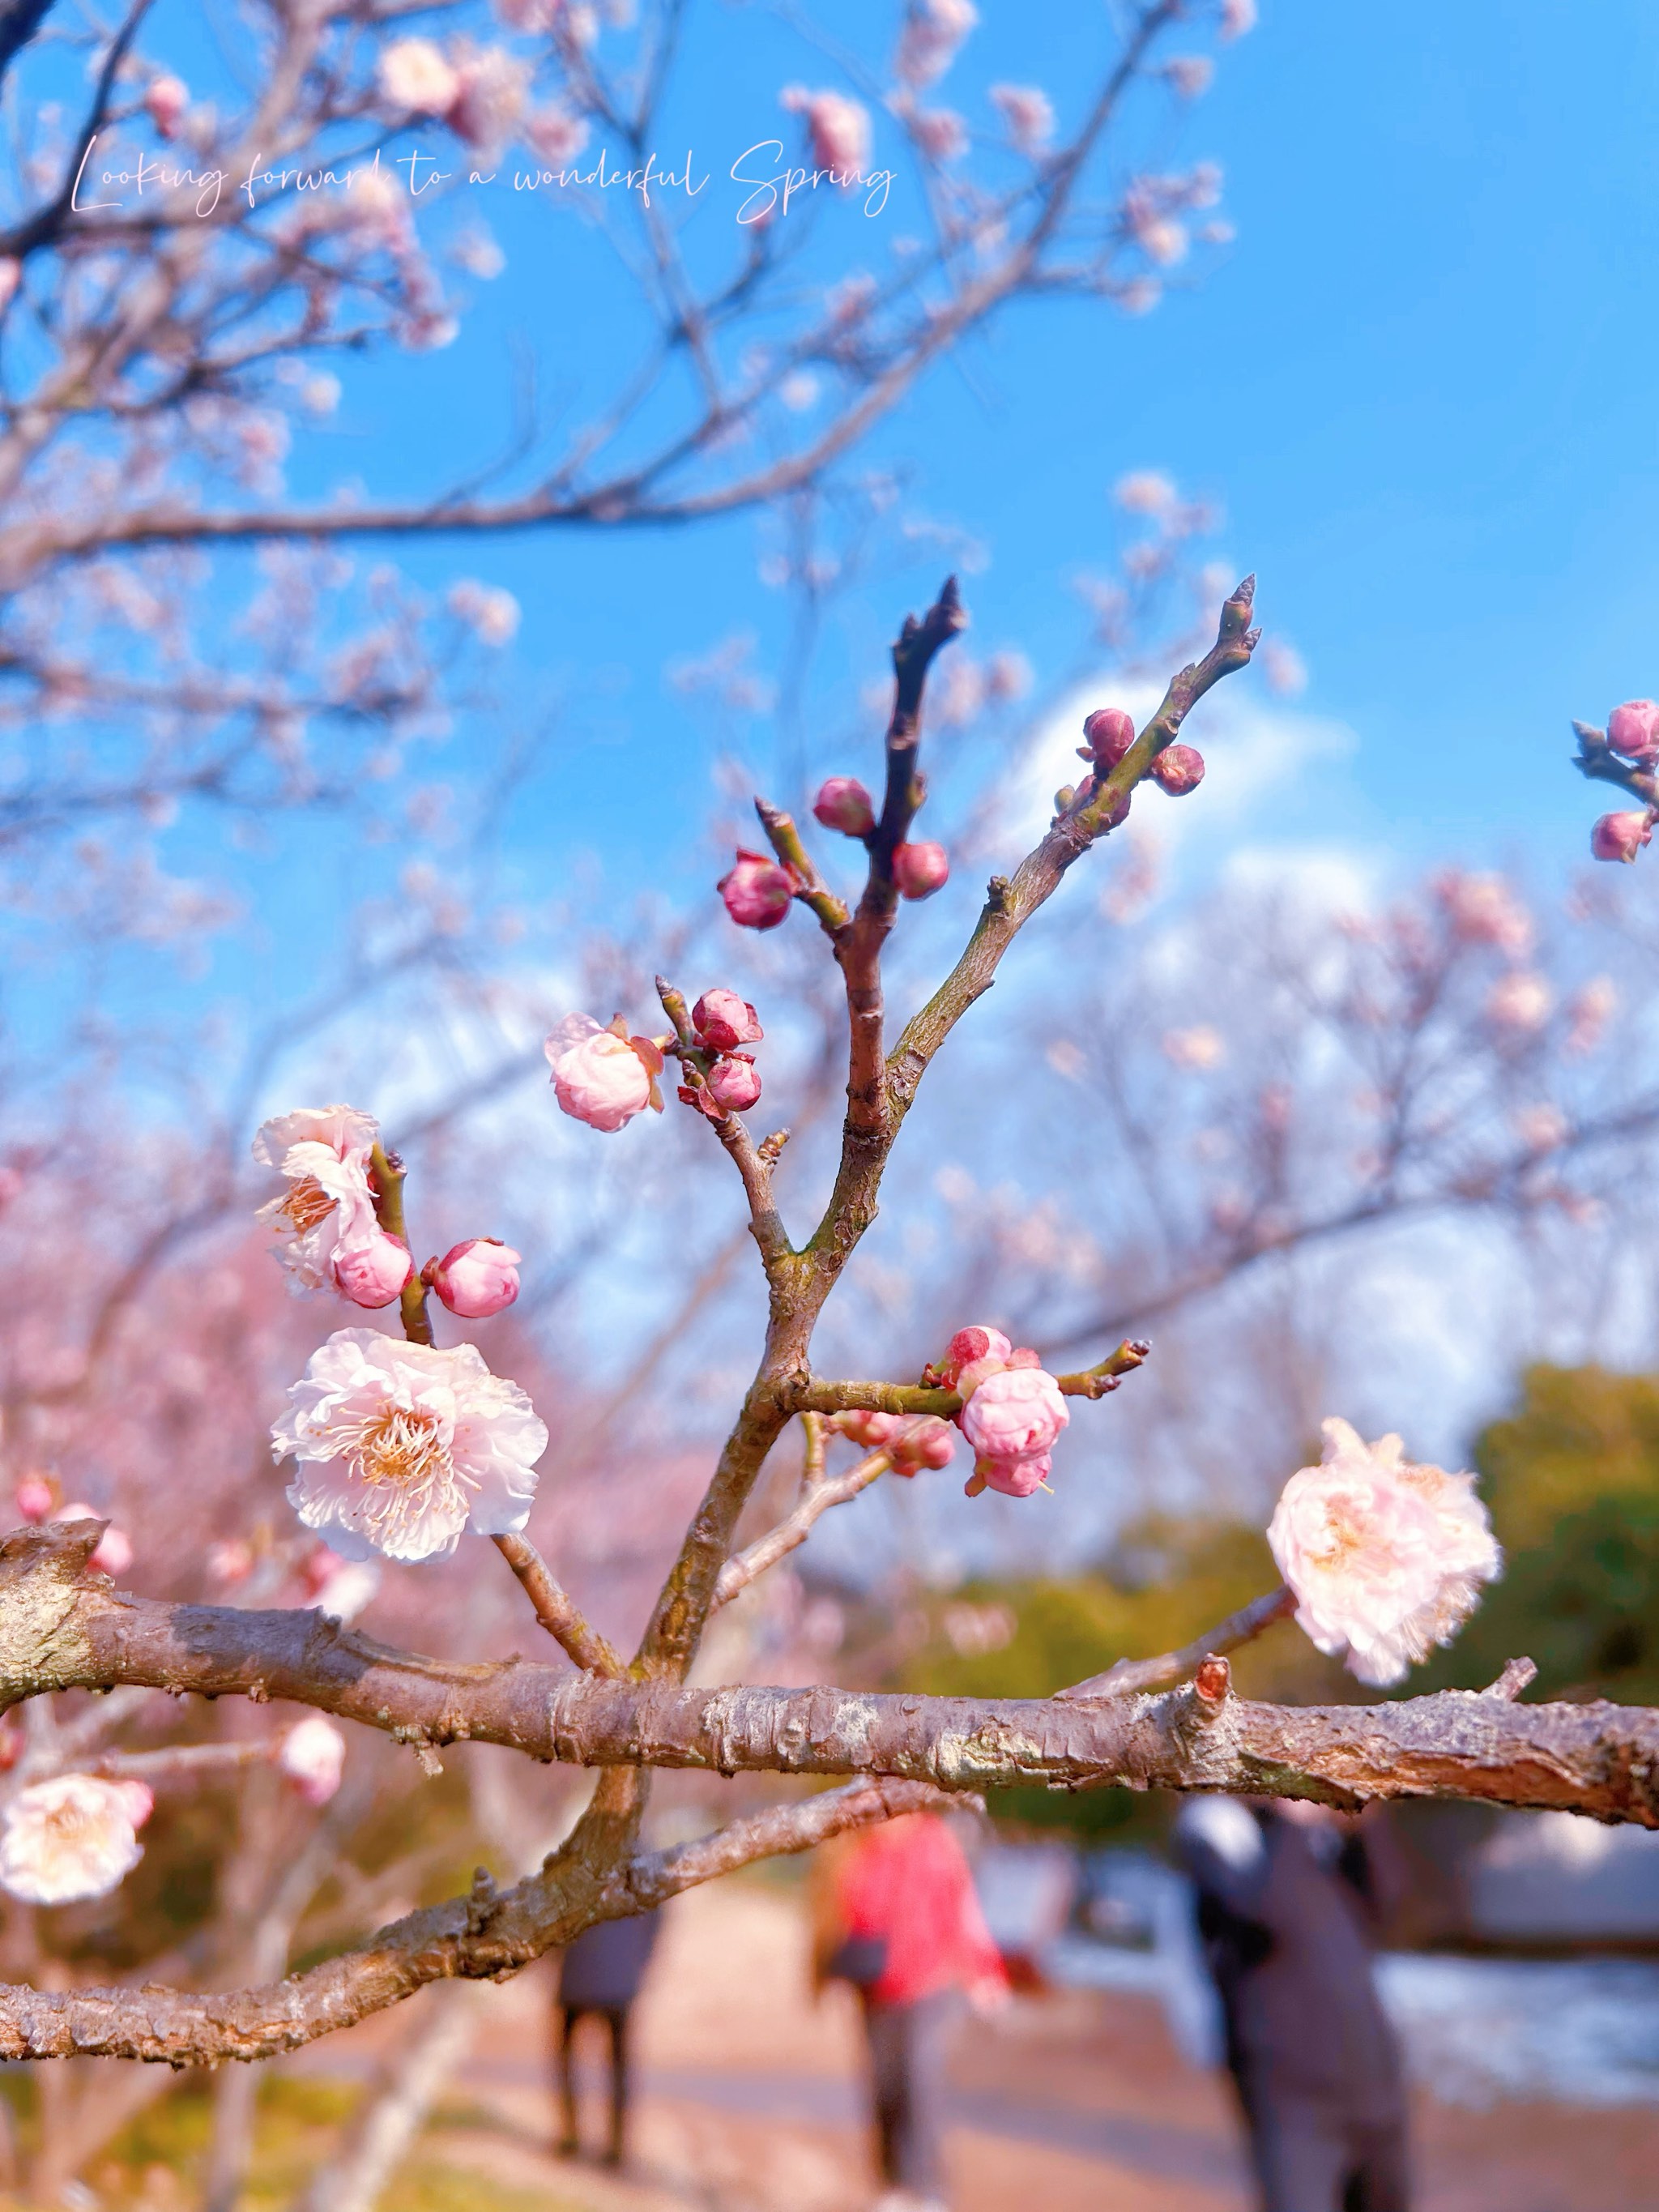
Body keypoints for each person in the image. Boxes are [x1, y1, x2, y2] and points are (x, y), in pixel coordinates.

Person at [1174, 1795, 1410, 2212]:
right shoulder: (1214, 1827)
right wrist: (1291, 1817)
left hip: (1372, 2080)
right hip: (1290, 2094)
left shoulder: (1320, 1837)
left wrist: (1361, 1823)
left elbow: (1388, 1904)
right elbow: (1268, 1915)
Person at [812, 1813, 1009, 2212]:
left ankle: (930, 2191)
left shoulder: (933, 1840)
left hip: (928, 1983)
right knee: (883, 2086)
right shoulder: (853, 1840)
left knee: (919, 2081)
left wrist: (984, 1971)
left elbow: (961, 1908)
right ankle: (893, 2186)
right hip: (873, 1987)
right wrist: (822, 1972)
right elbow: (829, 1909)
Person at [552, 1906, 662, 2167]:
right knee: (618, 2065)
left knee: (568, 2057)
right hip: (619, 1982)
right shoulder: (642, 1868)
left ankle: (572, 2136)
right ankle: (616, 2147)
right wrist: (639, 1966)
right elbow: (655, 1925)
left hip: (576, 1976)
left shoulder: (574, 1868)